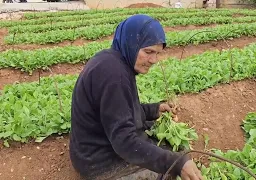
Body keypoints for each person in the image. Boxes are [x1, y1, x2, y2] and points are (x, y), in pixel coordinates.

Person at [69, 14, 203, 180]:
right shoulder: (114, 77)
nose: (153, 60)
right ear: (132, 44)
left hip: (91, 151)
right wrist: (176, 163)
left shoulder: (112, 60)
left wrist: (155, 109)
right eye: (148, 52)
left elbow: (121, 110)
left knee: (170, 151)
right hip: (101, 164)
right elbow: (124, 142)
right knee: (173, 166)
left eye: (157, 53)